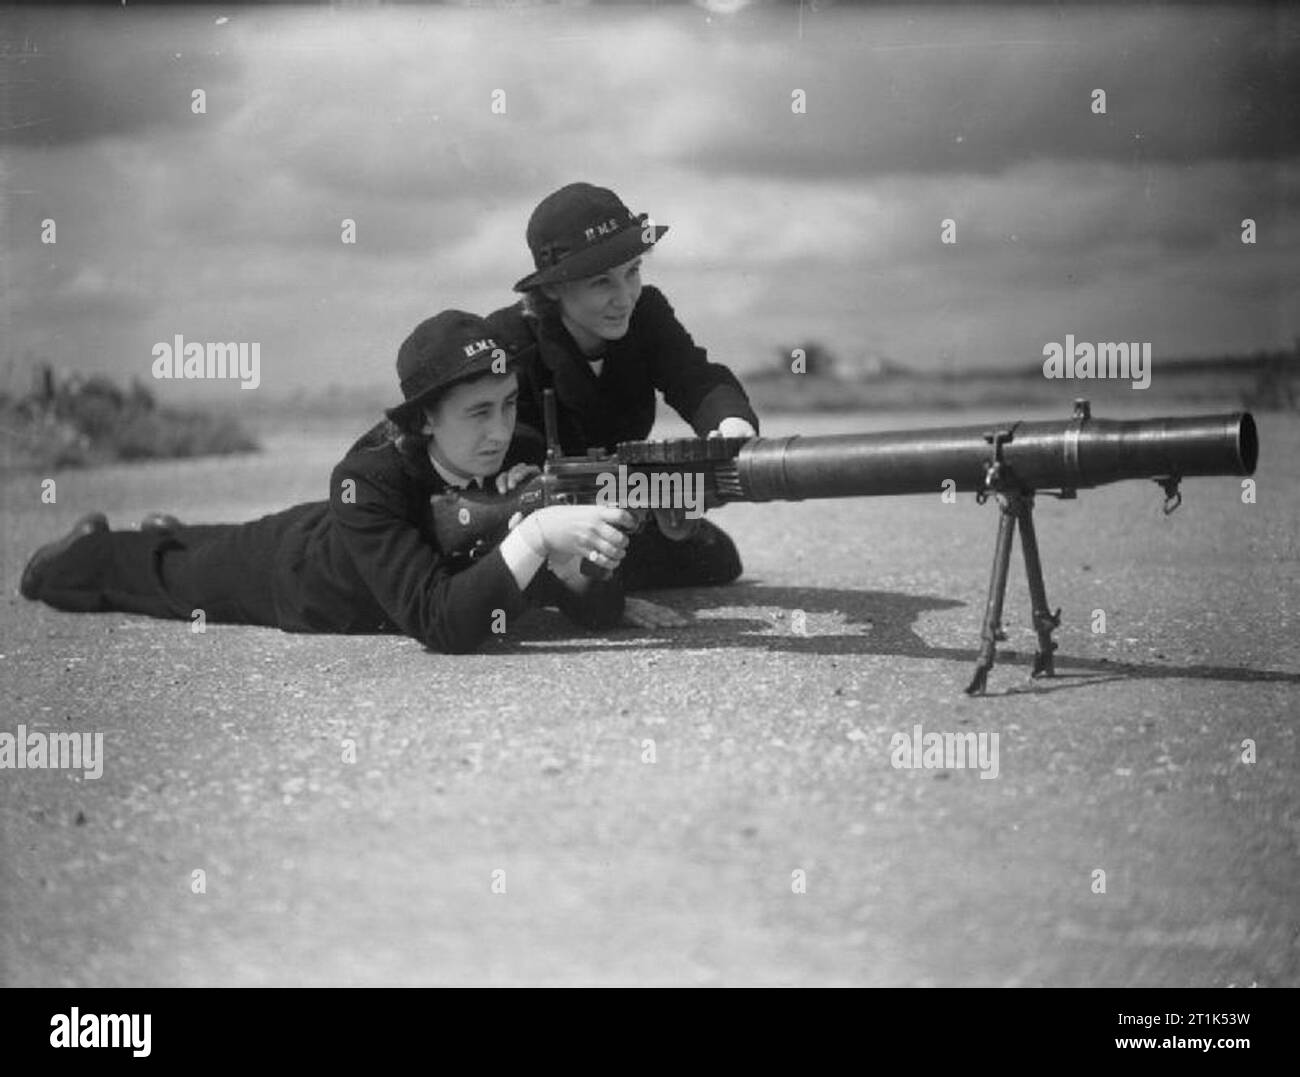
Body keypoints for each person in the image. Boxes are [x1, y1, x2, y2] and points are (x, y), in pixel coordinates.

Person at [19, 311, 636, 654]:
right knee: (171, 580)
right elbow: (440, 621)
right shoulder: (368, 479)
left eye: (507, 404)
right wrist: (534, 537)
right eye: (478, 412)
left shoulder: (524, 453)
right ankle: (75, 557)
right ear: (425, 419)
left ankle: (170, 534)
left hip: (343, 540)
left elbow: (589, 607)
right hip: (300, 573)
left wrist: (583, 570)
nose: (501, 430)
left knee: (194, 542)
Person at [487, 182, 760, 594]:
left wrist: (732, 423)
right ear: (552, 288)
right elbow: (493, 427)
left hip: (624, 491)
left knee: (716, 557)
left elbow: (695, 377)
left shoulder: (647, 313)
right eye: (601, 282)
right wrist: (519, 468)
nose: (624, 297)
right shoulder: (508, 338)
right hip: (536, 510)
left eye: (632, 271)